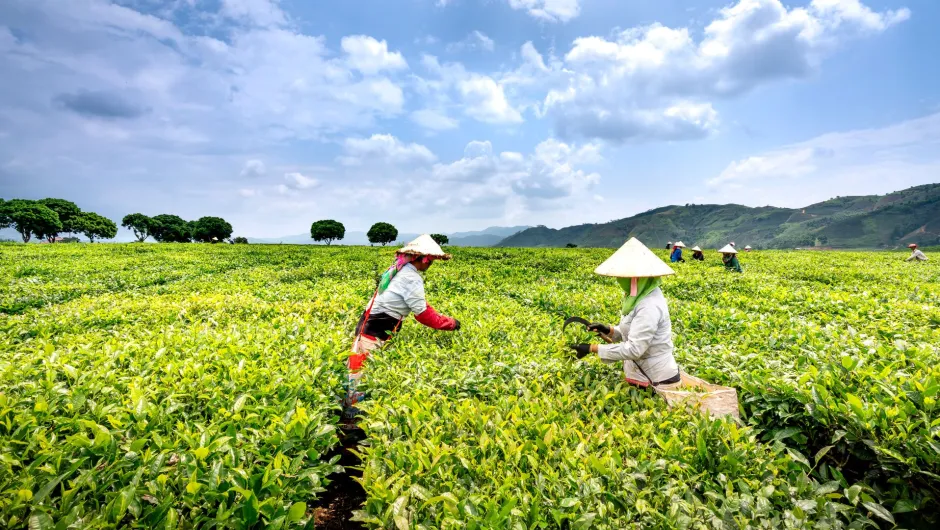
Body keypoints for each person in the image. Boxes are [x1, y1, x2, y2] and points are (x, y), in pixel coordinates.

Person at [344, 234, 461, 418]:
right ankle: (353, 423)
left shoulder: (400, 270)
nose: (430, 265)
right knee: (360, 377)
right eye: (430, 261)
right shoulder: (411, 278)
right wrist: (450, 324)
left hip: (370, 328)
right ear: (421, 259)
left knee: (358, 373)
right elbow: (423, 315)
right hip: (374, 331)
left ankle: (354, 417)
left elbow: (420, 305)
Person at [569, 238, 681, 387]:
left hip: (657, 379)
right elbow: (633, 331)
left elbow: (635, 349)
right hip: (640, 374)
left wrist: (591, 348)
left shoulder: (649, 305)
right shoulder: (636, 297)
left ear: (634, 279)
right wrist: (608, 330)